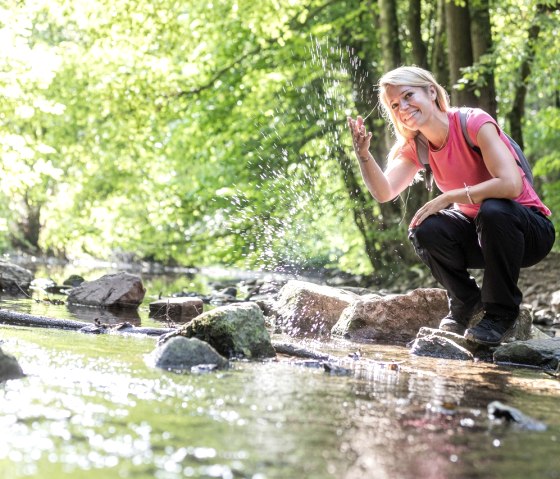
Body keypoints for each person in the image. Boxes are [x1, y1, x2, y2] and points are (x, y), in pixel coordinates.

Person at [347, 66, 555, 346]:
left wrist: (449, 197)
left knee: (493, 208)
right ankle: (466, 302)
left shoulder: (473, 122)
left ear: (431, 91)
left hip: (528, 231)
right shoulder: (417, 147)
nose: (403, 107)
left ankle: (500, 313)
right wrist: (363, 156)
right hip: (483, 234)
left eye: (409, 96)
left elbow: (510, 185)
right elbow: (384, 191)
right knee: (425, 228)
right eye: (395, 105)